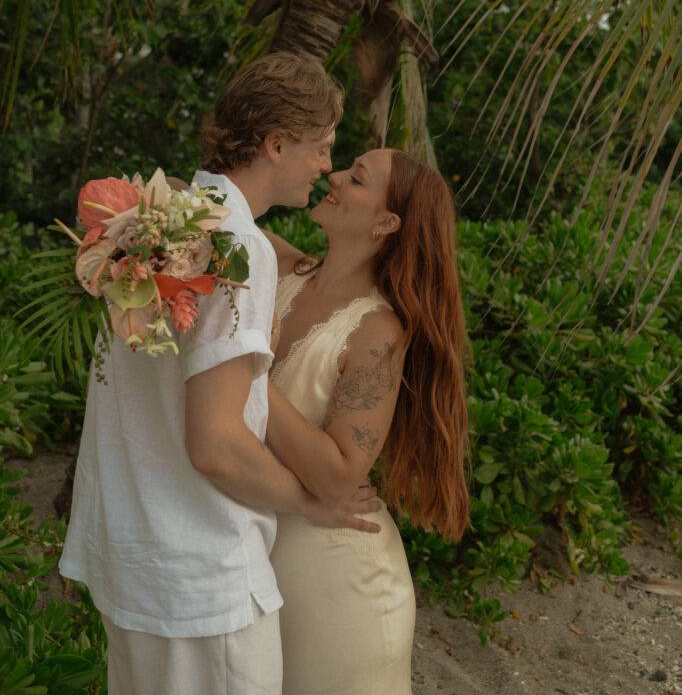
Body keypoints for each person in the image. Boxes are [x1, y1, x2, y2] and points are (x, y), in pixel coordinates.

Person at [59, 53, 382, 695]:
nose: (324, 166)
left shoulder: (163, 215)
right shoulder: (238, 247)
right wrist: (307, 501)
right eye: (320, 148)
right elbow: (216, 444)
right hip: (201, 580)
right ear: (276, 143)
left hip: (134, 554)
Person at [263, 147, 470, 695]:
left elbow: (338, 476)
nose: (332, 176)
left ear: (386, 222)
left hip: (337, 578)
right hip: (259, 555)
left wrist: (243, 374)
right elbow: (217, 211)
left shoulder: (378, 331)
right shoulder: (284, 269)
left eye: (354, 178)